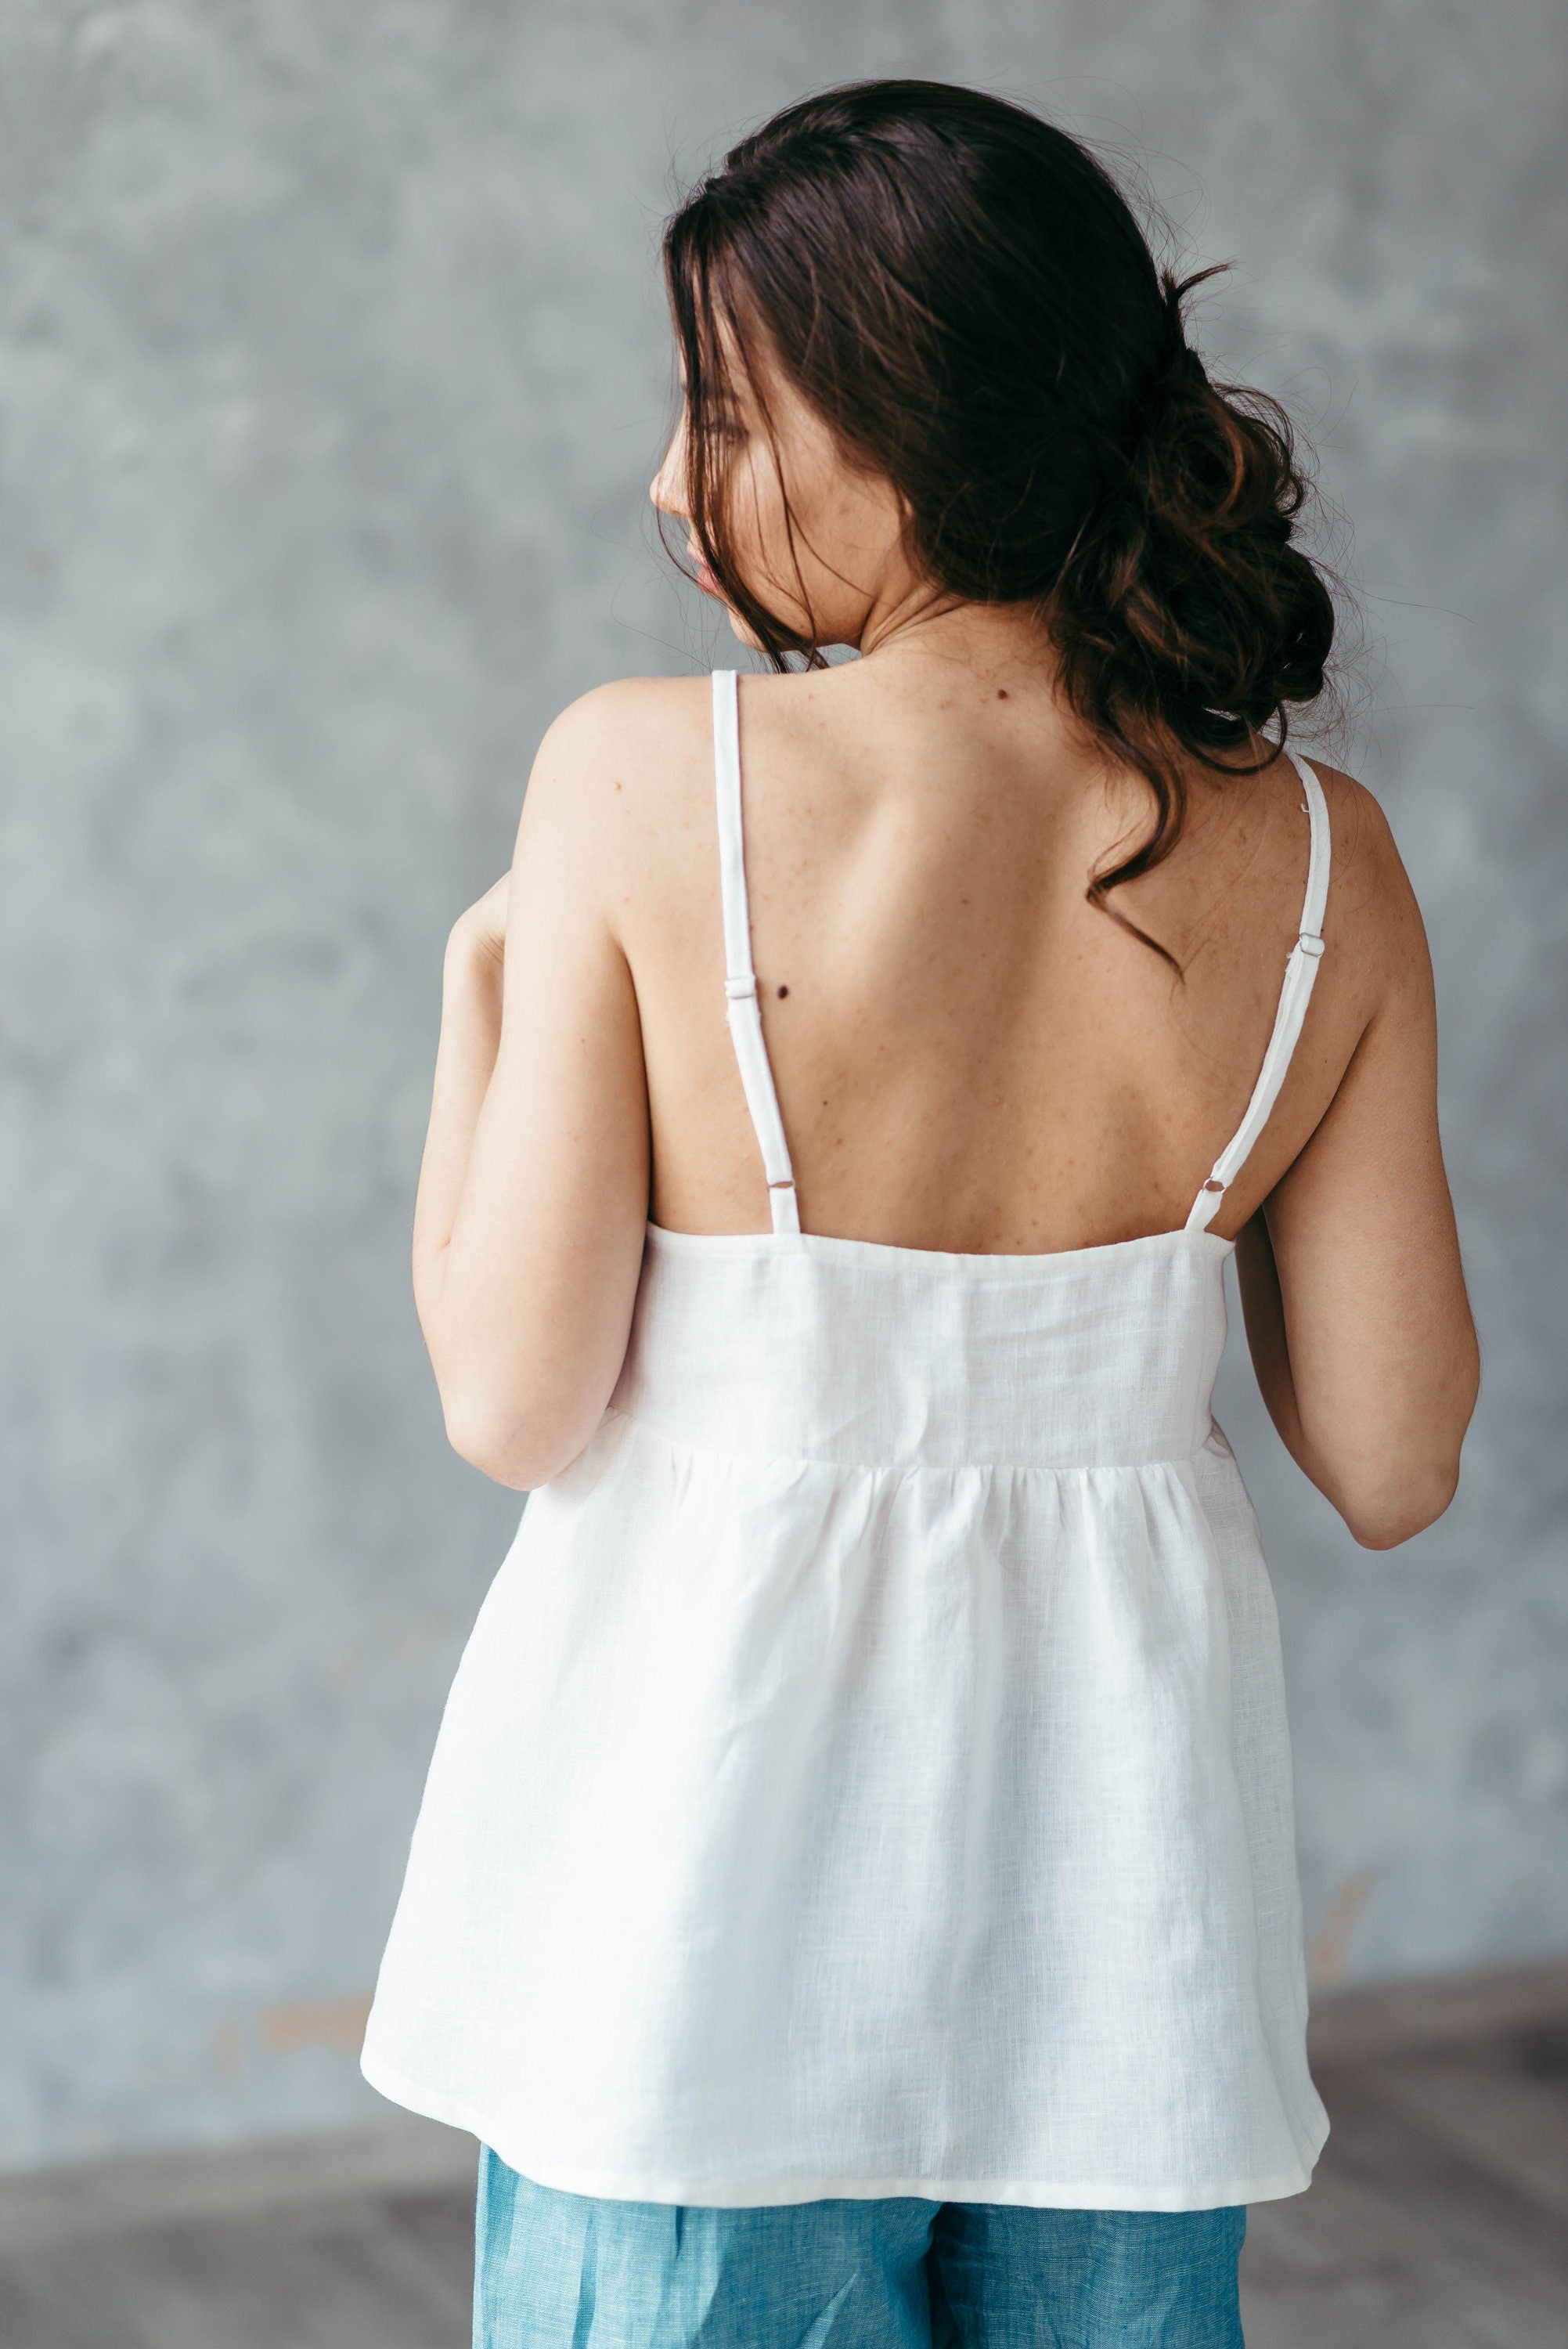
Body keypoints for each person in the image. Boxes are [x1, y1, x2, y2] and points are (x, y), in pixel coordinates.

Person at [360, 78, 1479, 2349]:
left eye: (724, 416)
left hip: (697, 1939)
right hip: (1121, 1950)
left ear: (915, 425)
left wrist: (479, 989)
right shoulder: (1329, 865)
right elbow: (1390, 1457)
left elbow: (511, 1396)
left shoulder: (639, 780)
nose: (668, 488)